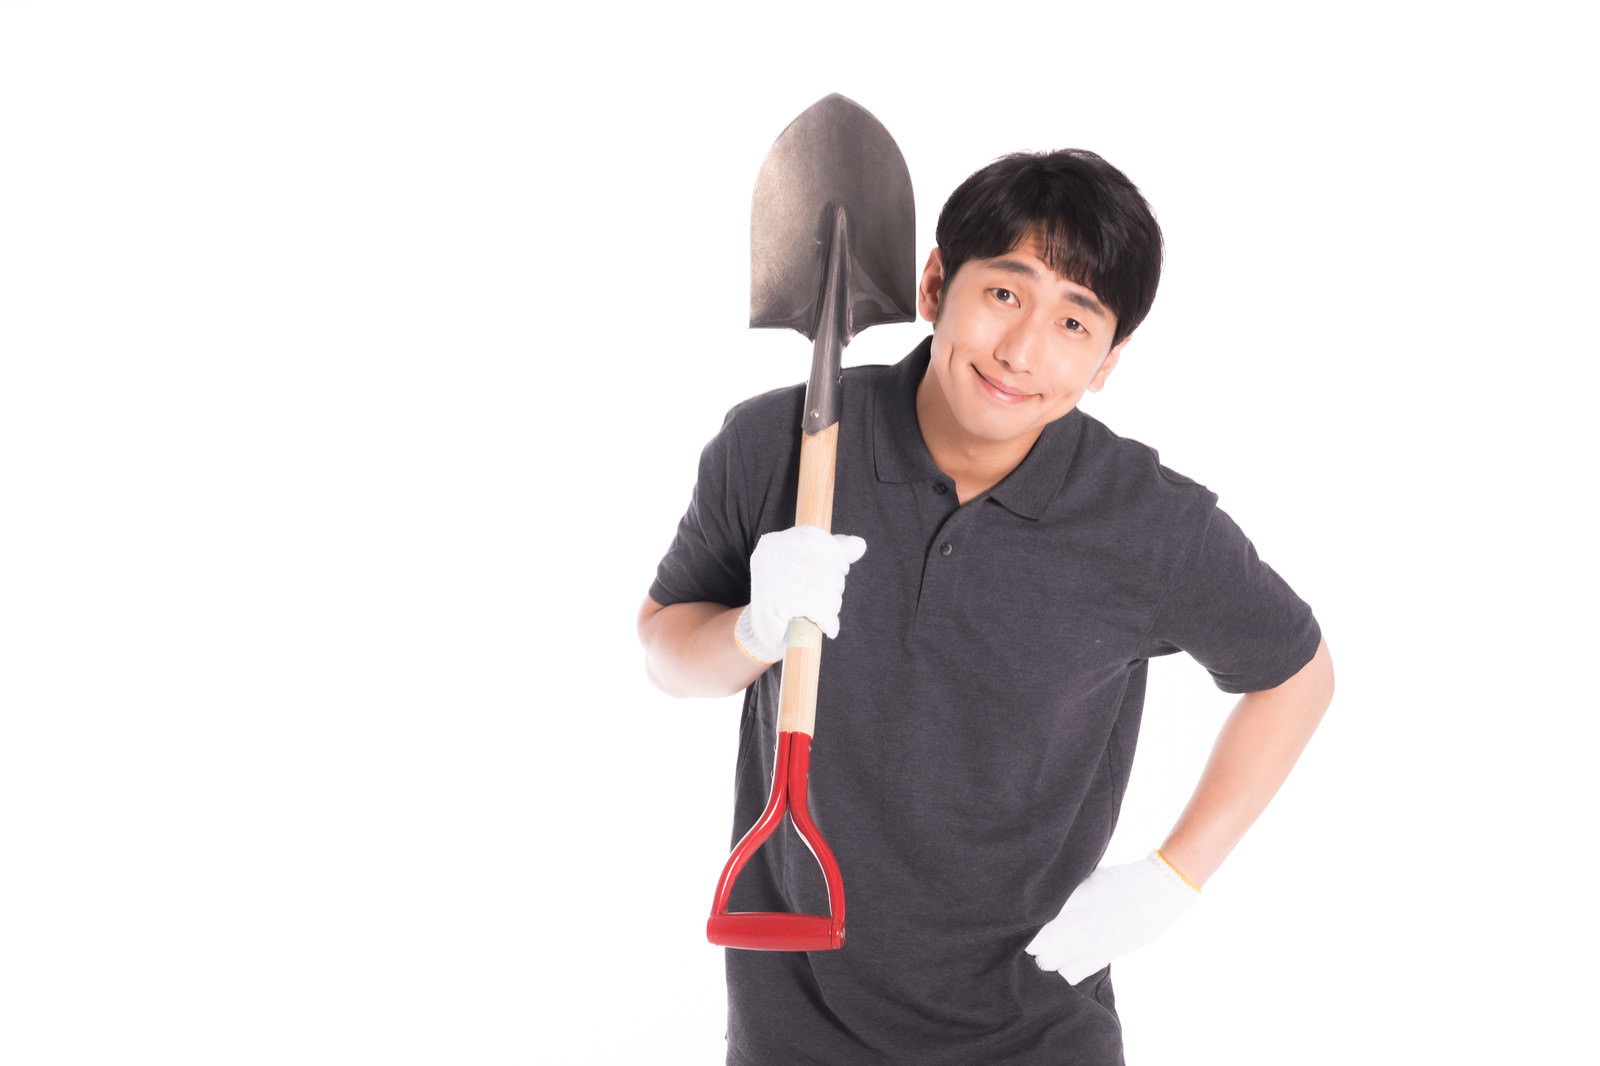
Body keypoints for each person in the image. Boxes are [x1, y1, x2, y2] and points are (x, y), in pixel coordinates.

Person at [638, 149, 1334, 1065]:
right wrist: (749, 629)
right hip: (795, 1015)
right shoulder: (778, 443)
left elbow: (1297, 675)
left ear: (1109, 361)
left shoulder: (1150, 523)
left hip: (1036, 1022)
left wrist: (1173, 878)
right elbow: (664, 648)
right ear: (934, 283)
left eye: (1074, 321)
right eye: (1005, 294)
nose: (1021, 352)